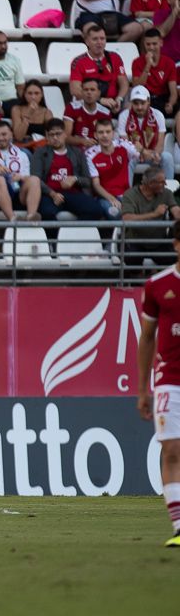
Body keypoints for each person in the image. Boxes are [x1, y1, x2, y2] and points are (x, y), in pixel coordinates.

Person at [136, 224, 180, 547]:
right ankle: (179, 526)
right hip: (169, 381)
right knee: (172, 449)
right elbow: (147, 338)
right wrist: (142, 389)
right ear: (177, 245)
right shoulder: (157, 286)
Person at [30, 117, 113, 225]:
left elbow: (88, 180)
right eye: (51, 134)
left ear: (65, 134)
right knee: (47, 213)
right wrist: (52, 193)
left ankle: (70, 235)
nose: (55, 137)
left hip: (73, 193)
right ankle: (54, 241)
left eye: (58, 134)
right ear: (46, 135)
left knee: (95, 210)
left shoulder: (77, 152)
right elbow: (36, 179)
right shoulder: (40, 153)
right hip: (49, 194)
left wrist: (75, 179)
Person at [0, 120, 41, 221]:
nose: (1, 138)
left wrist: (20, 177)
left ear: (11, 134)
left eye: (4, 134)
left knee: (35, 179)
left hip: (18, 192)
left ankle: (31, 216)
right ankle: (13, 218)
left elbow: (27, 177)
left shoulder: (21, 154)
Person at [120, 167, 180, 269]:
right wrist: (154, 214)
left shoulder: (166, 193)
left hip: (158, 241)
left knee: (172, 258)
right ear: (151, 183)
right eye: (162, 182)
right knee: (132, 260)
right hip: (135, 241)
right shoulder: (130, 195)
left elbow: (175, 209)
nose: (165, 184)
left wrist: (178, 213)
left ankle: (157, 277)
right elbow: (127, 218)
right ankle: (137, 279)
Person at [84, 118, 138, 219]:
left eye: (108, 132)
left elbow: (142, 155)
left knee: (141, 209)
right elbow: (96, 184)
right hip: (105, 197)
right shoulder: (90, 155)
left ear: (113, 133)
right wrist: (111, 198)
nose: (105, 135)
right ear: (95, 135)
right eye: (101, 132)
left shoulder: (123, 146)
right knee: (114, 212)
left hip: (126, 194)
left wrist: (144, 151)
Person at [117, 87, 176, 181]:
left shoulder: (158, 115)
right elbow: (125, 143)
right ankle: (126, 193)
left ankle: (168, 191)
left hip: (152, 154)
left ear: (148, 101)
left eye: (142, 103)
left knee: (167, 157)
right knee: (125, 158)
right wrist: (142, 151)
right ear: (131, 103)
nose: (139, 107)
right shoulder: (124, 116)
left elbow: (160, 143)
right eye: (136, 103)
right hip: (133, 155)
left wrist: (155, 154)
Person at [70, 22, 128, 108]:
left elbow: (124, 83)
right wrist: (99, 100)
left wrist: (119, 99)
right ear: (87, 42)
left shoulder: (115, 57)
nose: (99, 42)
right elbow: (75, 90)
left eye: (102, 38)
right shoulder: (78, 61)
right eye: (95, 39)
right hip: (90, 105)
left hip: (114, 103)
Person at [133, 29, 180, 119]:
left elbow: (173, 92)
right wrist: (148, 65)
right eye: (148, 44)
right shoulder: (137, 62)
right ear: (144, 44)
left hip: (163, 99)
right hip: (145, 99)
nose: (151, 47)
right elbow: (137, 86)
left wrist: (170, 103)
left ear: (161, 43)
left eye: (154, 44)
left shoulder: (169, 63)